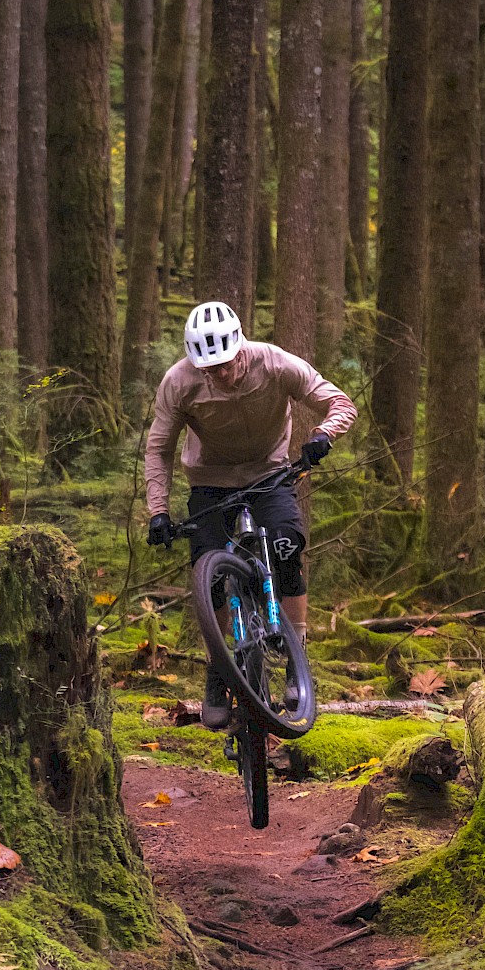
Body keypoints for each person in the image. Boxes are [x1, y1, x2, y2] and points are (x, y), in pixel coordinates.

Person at [144, 301, 356, 729]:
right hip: (210, 482)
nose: (218, 374)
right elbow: (159, 447)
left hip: (269, 474)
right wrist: (158, 511)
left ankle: (296, 655)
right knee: (210, 571)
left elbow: (339, 402)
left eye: (224, 364)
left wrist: (322, 434)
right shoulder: (179, 382)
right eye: (209, 369)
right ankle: (217, 669)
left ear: (240, 348)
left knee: (285, 546)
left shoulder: (276, 363)